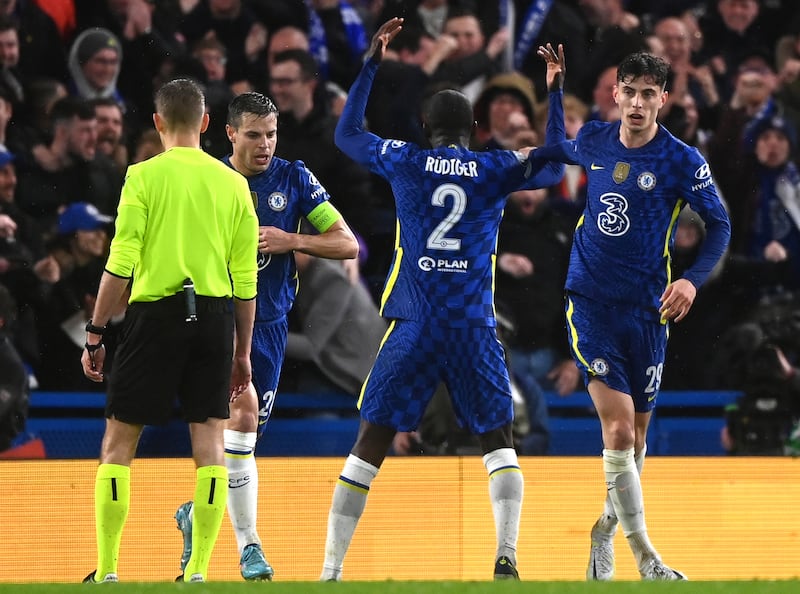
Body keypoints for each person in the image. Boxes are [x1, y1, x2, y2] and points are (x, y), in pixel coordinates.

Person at [319, 18, 566, 582]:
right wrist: (552, 90)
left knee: (371, 443)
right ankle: (506, 556)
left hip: (414, 320)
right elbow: (554, 164)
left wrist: (371, 65)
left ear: (424, 125)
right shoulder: (493, 166)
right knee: (499, 442)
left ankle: (330, 571)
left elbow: (348, 136)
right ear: (476, 128)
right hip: (473, 323)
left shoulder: (405, 160)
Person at [534, 51, 731, 581]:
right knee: (618, 433)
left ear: (663, 99)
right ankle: (647, 558)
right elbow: (555, 150)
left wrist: (690, 279)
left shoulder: (682, 160)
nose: (639, 102)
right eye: (631, 90)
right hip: (590, 303)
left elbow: (721, 226)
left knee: (637, 441)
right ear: (616, 94)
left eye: (650, 93)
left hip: (648, 311)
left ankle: (605, 526)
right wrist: (554, 92)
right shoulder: (596, 139)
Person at [174, 91, 359, 582]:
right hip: (212, 320)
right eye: (254, 134)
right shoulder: (208, 178)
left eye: (272, 134)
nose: (265, 145)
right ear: (230, 133)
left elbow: (347, 245)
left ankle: (197, 513)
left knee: (240, 442)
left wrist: (292, 239)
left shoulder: (295, 179)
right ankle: (248, 548)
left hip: (270, 327)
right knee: (238, 420)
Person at [80, 77, 259, 584]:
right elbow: (245, 281)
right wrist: (241, 352)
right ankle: (198, 570)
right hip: (215, 318)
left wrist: (95, 331)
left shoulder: (142, 177)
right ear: (206, 123)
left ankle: (110, 571)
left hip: (155, 316)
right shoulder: (233, 184)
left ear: (158, 123)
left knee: (118, 444)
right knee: (210, 447)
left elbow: (121, 262)